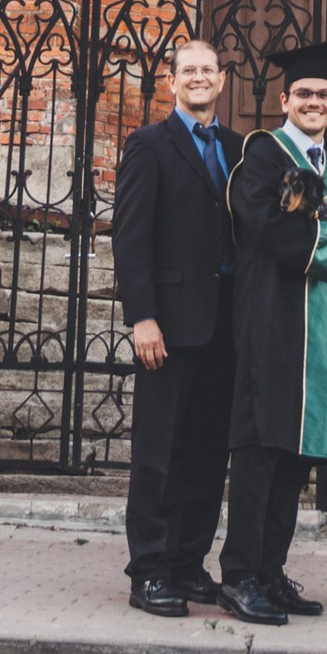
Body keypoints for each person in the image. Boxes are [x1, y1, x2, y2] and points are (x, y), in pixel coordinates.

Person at [218, 48, 327, 626]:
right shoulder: (262, 154)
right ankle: (238, 575)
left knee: (295, 457)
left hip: (319, 336)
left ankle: (270, 573)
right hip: (269, 320)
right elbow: (266, 227)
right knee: (261, 449)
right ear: (285, 101)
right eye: (304, 94)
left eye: (324, 96)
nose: (314, 103)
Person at [110, 38, 241, 617]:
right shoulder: (149, 145)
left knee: (208, 455)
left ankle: (188, 563)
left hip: (224, 326)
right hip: (167, 326)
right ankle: (149, 570)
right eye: (188, 70)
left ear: (221, 80)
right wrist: (143, 317)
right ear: (171, 81)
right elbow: (130, 236)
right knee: (158, 451)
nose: (198, 78)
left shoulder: (237, 148)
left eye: (207, 70)